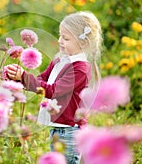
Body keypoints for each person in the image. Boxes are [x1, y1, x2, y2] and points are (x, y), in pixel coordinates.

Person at [6, 11, 102, 164]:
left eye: (66, 38)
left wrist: (24, 77)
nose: (60, 41)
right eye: (60, 36)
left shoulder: (80, 69)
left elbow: (53, 90)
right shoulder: (59, 60)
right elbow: (41, 80)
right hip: (57, 129)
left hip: (70, 132)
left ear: (83, 43)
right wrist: (17, 79)